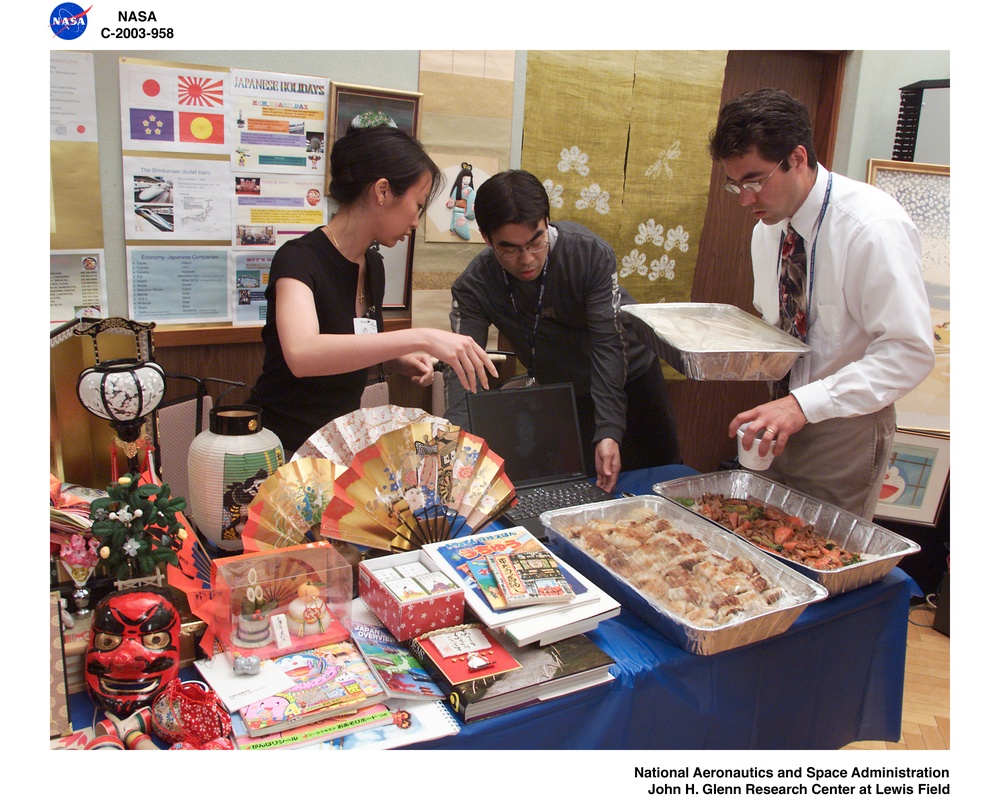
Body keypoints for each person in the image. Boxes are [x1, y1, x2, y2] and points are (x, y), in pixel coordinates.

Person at [708, 88, 935, 519]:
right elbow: (779, 326)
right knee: (759, 548)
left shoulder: (871, 227)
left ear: (796, 158)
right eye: (735, 184)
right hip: (779, 418)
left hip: (843, 428)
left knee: (821, 556)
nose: (745, 199)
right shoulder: (769, 228)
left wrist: (802, 406)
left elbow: (908, 352)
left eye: (754, 180)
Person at [251, 125, 498, 456]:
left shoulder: (373, 266)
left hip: (336, 448)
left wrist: (396, 359)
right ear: (382, 191)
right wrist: (421, 337)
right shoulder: (298, 258)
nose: (415, 221)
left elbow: (350, 344)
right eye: (418, 205)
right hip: (281, 447)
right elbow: (302, 355)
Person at [445, 169, 682, 494]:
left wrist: (609, 429)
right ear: (487, 239)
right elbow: (463, 369)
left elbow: (607, 346)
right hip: (565, 389)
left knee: (658, 483)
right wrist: (460, 445)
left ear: (546, 222)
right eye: (510, 249)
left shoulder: (587, 254)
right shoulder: (475, 285)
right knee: (583, 489)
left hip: (629, 378)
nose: (527, 259)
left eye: (535, 242)